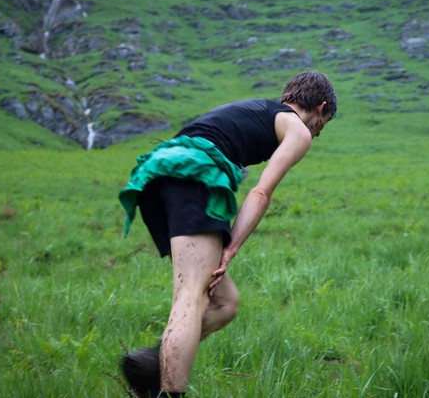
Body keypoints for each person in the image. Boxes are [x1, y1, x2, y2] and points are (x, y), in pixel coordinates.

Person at [118, 70, 337, 397]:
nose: (318, 133)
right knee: (192, 294)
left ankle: (153, 361)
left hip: (159, 175)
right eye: (325, 123)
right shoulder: (297, 129)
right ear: (320, 108)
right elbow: (261, 193)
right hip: (192, 174)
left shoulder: (259, 111)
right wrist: (231, 247)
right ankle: (170, 392)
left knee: (225, 303)